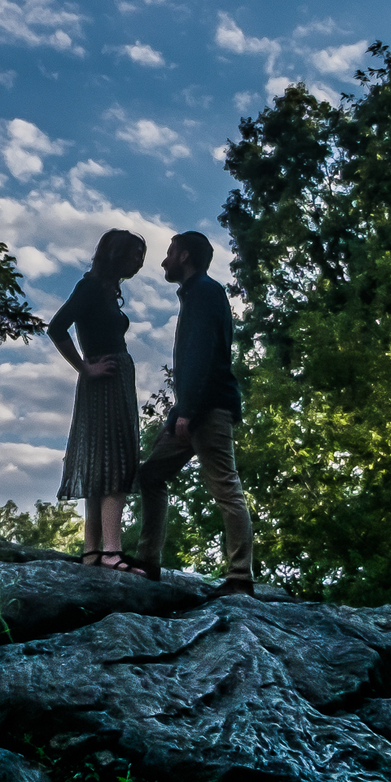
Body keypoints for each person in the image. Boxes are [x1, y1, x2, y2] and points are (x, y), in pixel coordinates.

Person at [134, 230, 254, 595]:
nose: (164, 260)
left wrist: (186, 411)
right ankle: (147, 562)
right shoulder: (196, 294)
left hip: (209, 406)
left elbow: (202, 354)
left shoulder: (203, 292)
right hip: (193, 407)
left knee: (225, 486)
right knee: (151, 475)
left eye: (169, 253)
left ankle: (239, 577)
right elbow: (191, 363)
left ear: (184, 256)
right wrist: (175, 416)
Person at [49, 228, 148, 572]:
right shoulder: (90, 287)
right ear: (116, 253)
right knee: (115, 462)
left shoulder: (103, 290)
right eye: (135, 254)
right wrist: (84, 367)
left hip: (111, 382)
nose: (139, 261)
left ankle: (93, 551)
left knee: (103, 463)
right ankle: (110, 552)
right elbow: (56, 327)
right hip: (104, 383)